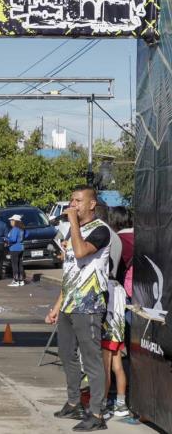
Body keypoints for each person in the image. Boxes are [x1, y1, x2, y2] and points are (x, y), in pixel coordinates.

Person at [45, 185, 111, 432]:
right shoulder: (75, 232)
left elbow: (82, 253)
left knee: (92, 360)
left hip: (89, 305)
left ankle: (97, 413)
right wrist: (56, 306)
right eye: (71, 201)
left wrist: (72, 222)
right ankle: (74, 402)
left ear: (92, 204)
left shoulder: (100, 231)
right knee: (65, 354)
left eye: (79, 201)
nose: (73, 205)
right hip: (69, 304)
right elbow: (70, 273)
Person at [101, 207, 132, 419]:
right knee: (117, 363)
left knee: (105, 364)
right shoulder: (124, 239)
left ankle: (101, 404)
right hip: (120, 306)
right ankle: (121, 404)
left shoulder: (114, 238)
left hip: (110, 310)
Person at [6, 215, 26, 287]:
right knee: (20, 264)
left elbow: (13, 239)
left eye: (12, 220)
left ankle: (16, 280)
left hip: (14, 248)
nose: (10, 222)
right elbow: (26, 236)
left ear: (15, 221)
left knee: (14, 265)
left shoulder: (15, 229)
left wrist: (6, 240)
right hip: (21, 247)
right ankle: (21, 280)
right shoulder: (22, 229)